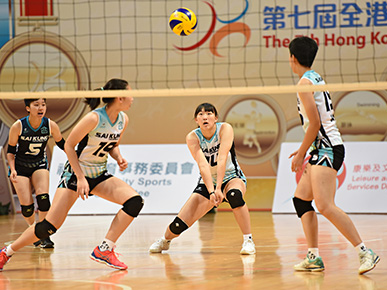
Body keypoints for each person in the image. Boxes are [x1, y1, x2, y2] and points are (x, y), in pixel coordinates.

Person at [0, 78, 144, 271]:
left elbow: (112, 145)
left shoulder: (123, 120)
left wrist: (118, 157)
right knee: (47, 227)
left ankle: (105, 249)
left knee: (135, 201)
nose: (132, 98)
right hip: (76, 176)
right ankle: (6, 252)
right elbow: (69, 146)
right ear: (119, 97)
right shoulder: (94, 118)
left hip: (99, 174)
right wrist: (81, 178)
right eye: (129, 93)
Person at [288, 36, 379, 274]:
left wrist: (301, 154)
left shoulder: (304, 85)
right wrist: (303, 150)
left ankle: (364, 252)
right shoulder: (316, 78)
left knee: (325, 205)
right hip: (324, 147)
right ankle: (313, 256)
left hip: (327, 148)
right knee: (301, 200)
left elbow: (315, 123)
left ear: (292, 58)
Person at [149, 103, 256, 255]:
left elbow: (222, 157)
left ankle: (248, 241)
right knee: (178, 225)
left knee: (235, 196)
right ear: (196, 120)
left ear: (216, 118)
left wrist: (219, 188)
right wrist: (212, 192)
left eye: (209, 113)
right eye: (200, 114)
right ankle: (165, 240)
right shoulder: (193, 137)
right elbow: (203, 165)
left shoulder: (225, 129)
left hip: (232, 177)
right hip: (207, 182)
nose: (205, 117)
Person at [6, 98, 65, 248]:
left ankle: (44, 234)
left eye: (43, 105)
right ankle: (33, 231)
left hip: (39, 164)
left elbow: (63, 144)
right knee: (27, 208)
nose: (41, 108)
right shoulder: (18, 126)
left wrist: (76, 156)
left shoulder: (50, 125)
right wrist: (12, 169)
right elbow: (10, 152)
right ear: (28, 108)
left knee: (44, 198)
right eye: (36, 105)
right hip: (20, 167)